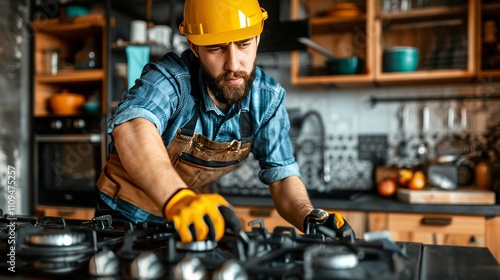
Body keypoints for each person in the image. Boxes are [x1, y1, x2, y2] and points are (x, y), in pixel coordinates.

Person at [96, 0, 355, 243]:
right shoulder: (171, 80)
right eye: (216, 48)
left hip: (193, 220)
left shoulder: (267, 99)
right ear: (194, 46)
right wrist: (177, 199)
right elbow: (133, 126)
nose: (233, 64)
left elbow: (283, 177)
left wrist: (308, 217)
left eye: (243, 44)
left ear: (257, 37)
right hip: (124, 219)